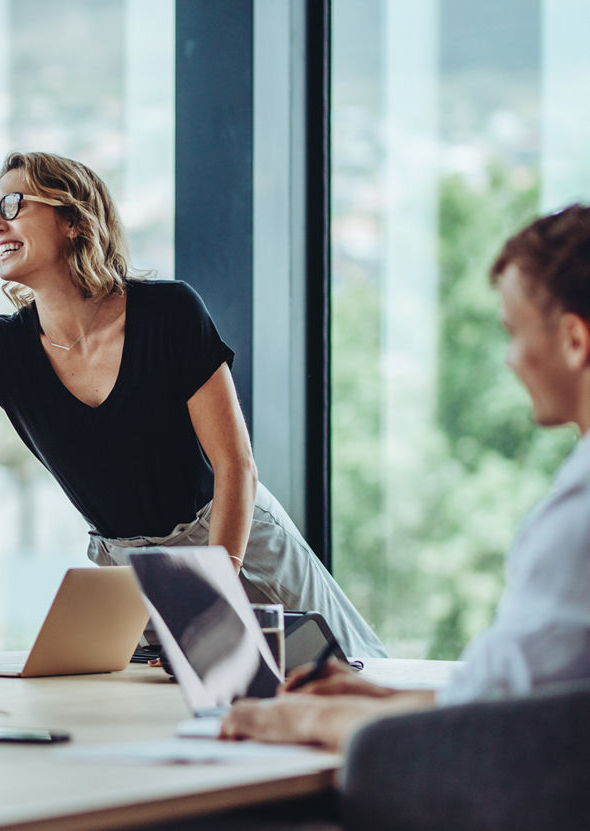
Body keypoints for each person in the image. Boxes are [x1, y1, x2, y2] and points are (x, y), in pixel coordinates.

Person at [0, 154, 385, 659]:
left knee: (350, 681)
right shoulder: (0, 347)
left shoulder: (169, 312)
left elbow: (235, 468)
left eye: (15, 204)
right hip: (129, 572)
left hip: (235, 539)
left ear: (72, 219)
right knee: (165, 722)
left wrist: (211, 588)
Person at [221, 203, 590, 750]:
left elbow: (487, 726)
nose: (510, 360)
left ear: (574, 340)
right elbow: (519, 696)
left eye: (514, 333)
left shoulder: (577, 520)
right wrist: (374, 696)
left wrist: (298, 720)